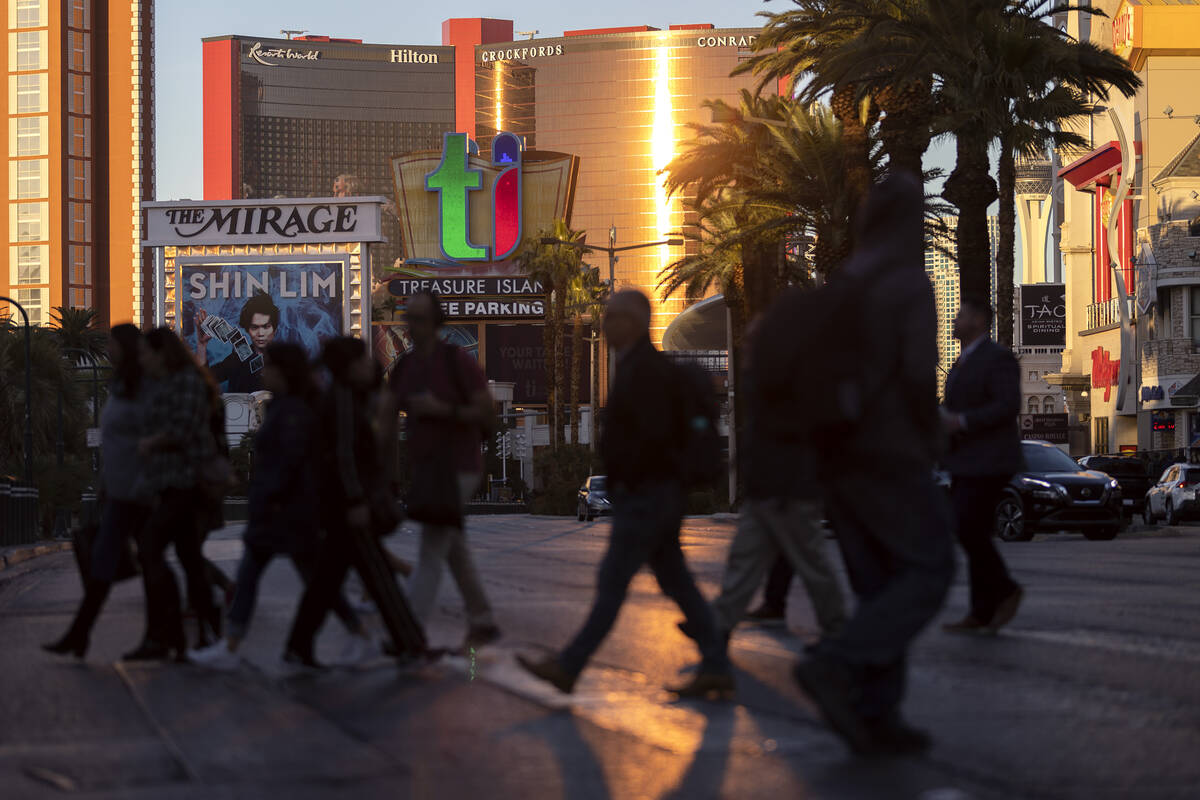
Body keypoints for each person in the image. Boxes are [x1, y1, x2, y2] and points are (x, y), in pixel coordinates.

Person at [794, 174, 954, 755]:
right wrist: (931, 431)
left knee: (879, 584)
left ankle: (877, 714)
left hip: (834, 450)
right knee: (929, 567)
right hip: (887, 451)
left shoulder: (846, 278)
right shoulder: (907, 282)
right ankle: (837, 663)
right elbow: (916, 373)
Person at [517, 290, 733, 697]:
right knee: (676, 582)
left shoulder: (645, 371)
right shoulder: (639, 366)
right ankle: (716, 664)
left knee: (613, 582)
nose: (603, 324)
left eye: (611, 317)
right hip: (653, 494)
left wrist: (627, 480)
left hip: (646, 496)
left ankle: (569, 667)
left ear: (633, 321)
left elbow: (648, 439)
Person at [190, 343, 377, 671]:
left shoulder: (293, 411)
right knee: (299, 579)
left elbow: (289, 464)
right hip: (284, 510)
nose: (264, 373)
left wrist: (270, 499)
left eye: (269, 367)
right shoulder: (286, 406)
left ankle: (232, 646)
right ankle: (357, 634)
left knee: (298, 580)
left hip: (285, 512)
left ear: (283, 371)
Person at [682, 314, 846, 651]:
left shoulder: (790, 384)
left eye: (756, 339)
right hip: (764, 490)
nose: (748, 345)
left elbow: (802, 437)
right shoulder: (761, 380)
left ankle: (839, 633)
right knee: (743, 561)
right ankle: (718, 628)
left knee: (812, 565)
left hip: (790, 490)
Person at [285, 337, 424, 668]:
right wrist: (356, 499)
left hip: (339, 506)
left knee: (326, 579)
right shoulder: (343, 399)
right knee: (378, 576)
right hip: (349, 507)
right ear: (348, 366)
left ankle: (298, 644)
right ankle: (410, 642)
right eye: (361, 360)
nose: (369, 364)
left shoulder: (346, 396)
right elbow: (344, 455)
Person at [387, 290, 500, 650]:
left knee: (431, 547)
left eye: (419, 319)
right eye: (409, 317)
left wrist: (442, 410)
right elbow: (386, 415)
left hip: (459, 466)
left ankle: (410, 631)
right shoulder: (405, 367)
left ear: (436, 323)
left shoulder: (457, 363)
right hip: (426, 469)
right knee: (452, 545)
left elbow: (487, 415)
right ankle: (482, 620)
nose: (412, 325)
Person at [43, 325, 151, 659]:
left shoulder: (143, 388)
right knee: (108, 562)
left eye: (111, 343)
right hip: (119, 491)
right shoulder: (119, 386)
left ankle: (173, 632)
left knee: (150, 564)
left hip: (140, 492)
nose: (107, 349)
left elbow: (149, 437)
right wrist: (104, 483)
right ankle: (80, 634)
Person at [125, 327, 221, 661]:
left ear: (160, 353)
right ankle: (199, 635)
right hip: (166, 485)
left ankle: (166, 634)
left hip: (186, 484)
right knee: (190, 559)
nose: (141, 361)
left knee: (150, 548)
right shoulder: (163, 384)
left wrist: (150, 442)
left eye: (145, 354)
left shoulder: (186, 382)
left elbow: (183, 429)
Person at [940, 296, 1023, 634]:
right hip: (965, 460)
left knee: (968, 527)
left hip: (990, 460)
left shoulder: (997, 358)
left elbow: (1007, 405)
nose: (954, 320)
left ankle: (1004, 590)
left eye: (960, 314)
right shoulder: (962, 362)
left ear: (977, 319)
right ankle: (981, 611)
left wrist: (962, 422)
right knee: (970, 529)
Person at [194, 292, 279, 393]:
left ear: (275, 329)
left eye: (266, 327)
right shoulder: (237, 359)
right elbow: (203, 381)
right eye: (254, 327)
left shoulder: (286, 360)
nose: (260, 333)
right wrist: (201, 345)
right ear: (248, 330)